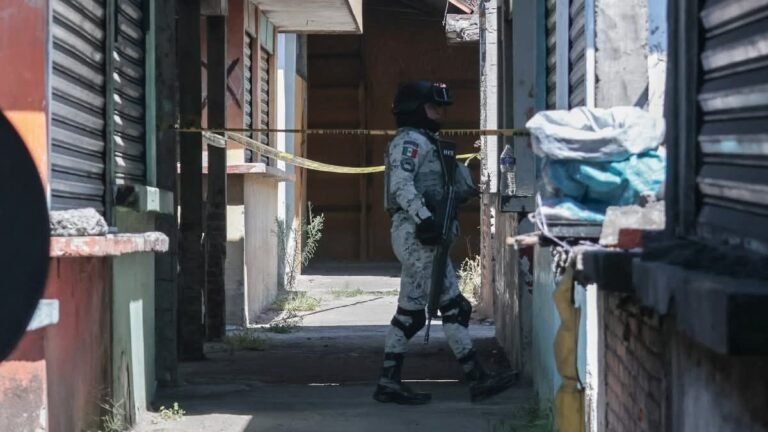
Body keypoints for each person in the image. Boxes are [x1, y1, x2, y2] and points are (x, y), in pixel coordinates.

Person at [373, 80, 518, 405]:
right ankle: (477, 378)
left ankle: (388, 382)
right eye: (433, 106)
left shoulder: (428, 141)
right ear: (415, 109)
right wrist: (424, 218)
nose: (440, 112)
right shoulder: (409, 141)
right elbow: (400, 184)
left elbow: (448, 183)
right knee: (455, 307)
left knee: (410, 314)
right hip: (417, 235)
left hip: (425, 235)